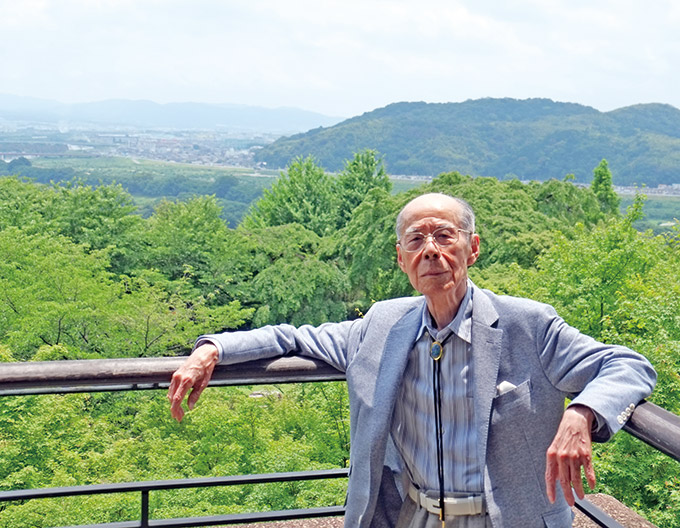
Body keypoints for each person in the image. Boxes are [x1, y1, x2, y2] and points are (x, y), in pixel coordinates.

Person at [168, 193, 656, 527]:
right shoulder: (382, 326)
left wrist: (580, 413)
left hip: (505, 517)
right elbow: (294, 337)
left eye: (444, 236)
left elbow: (628, 365)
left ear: (472, 248)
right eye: (416, 241)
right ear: (400, 258)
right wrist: (213, 349)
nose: (431, 252)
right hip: (413, 514)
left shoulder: (527, 324)